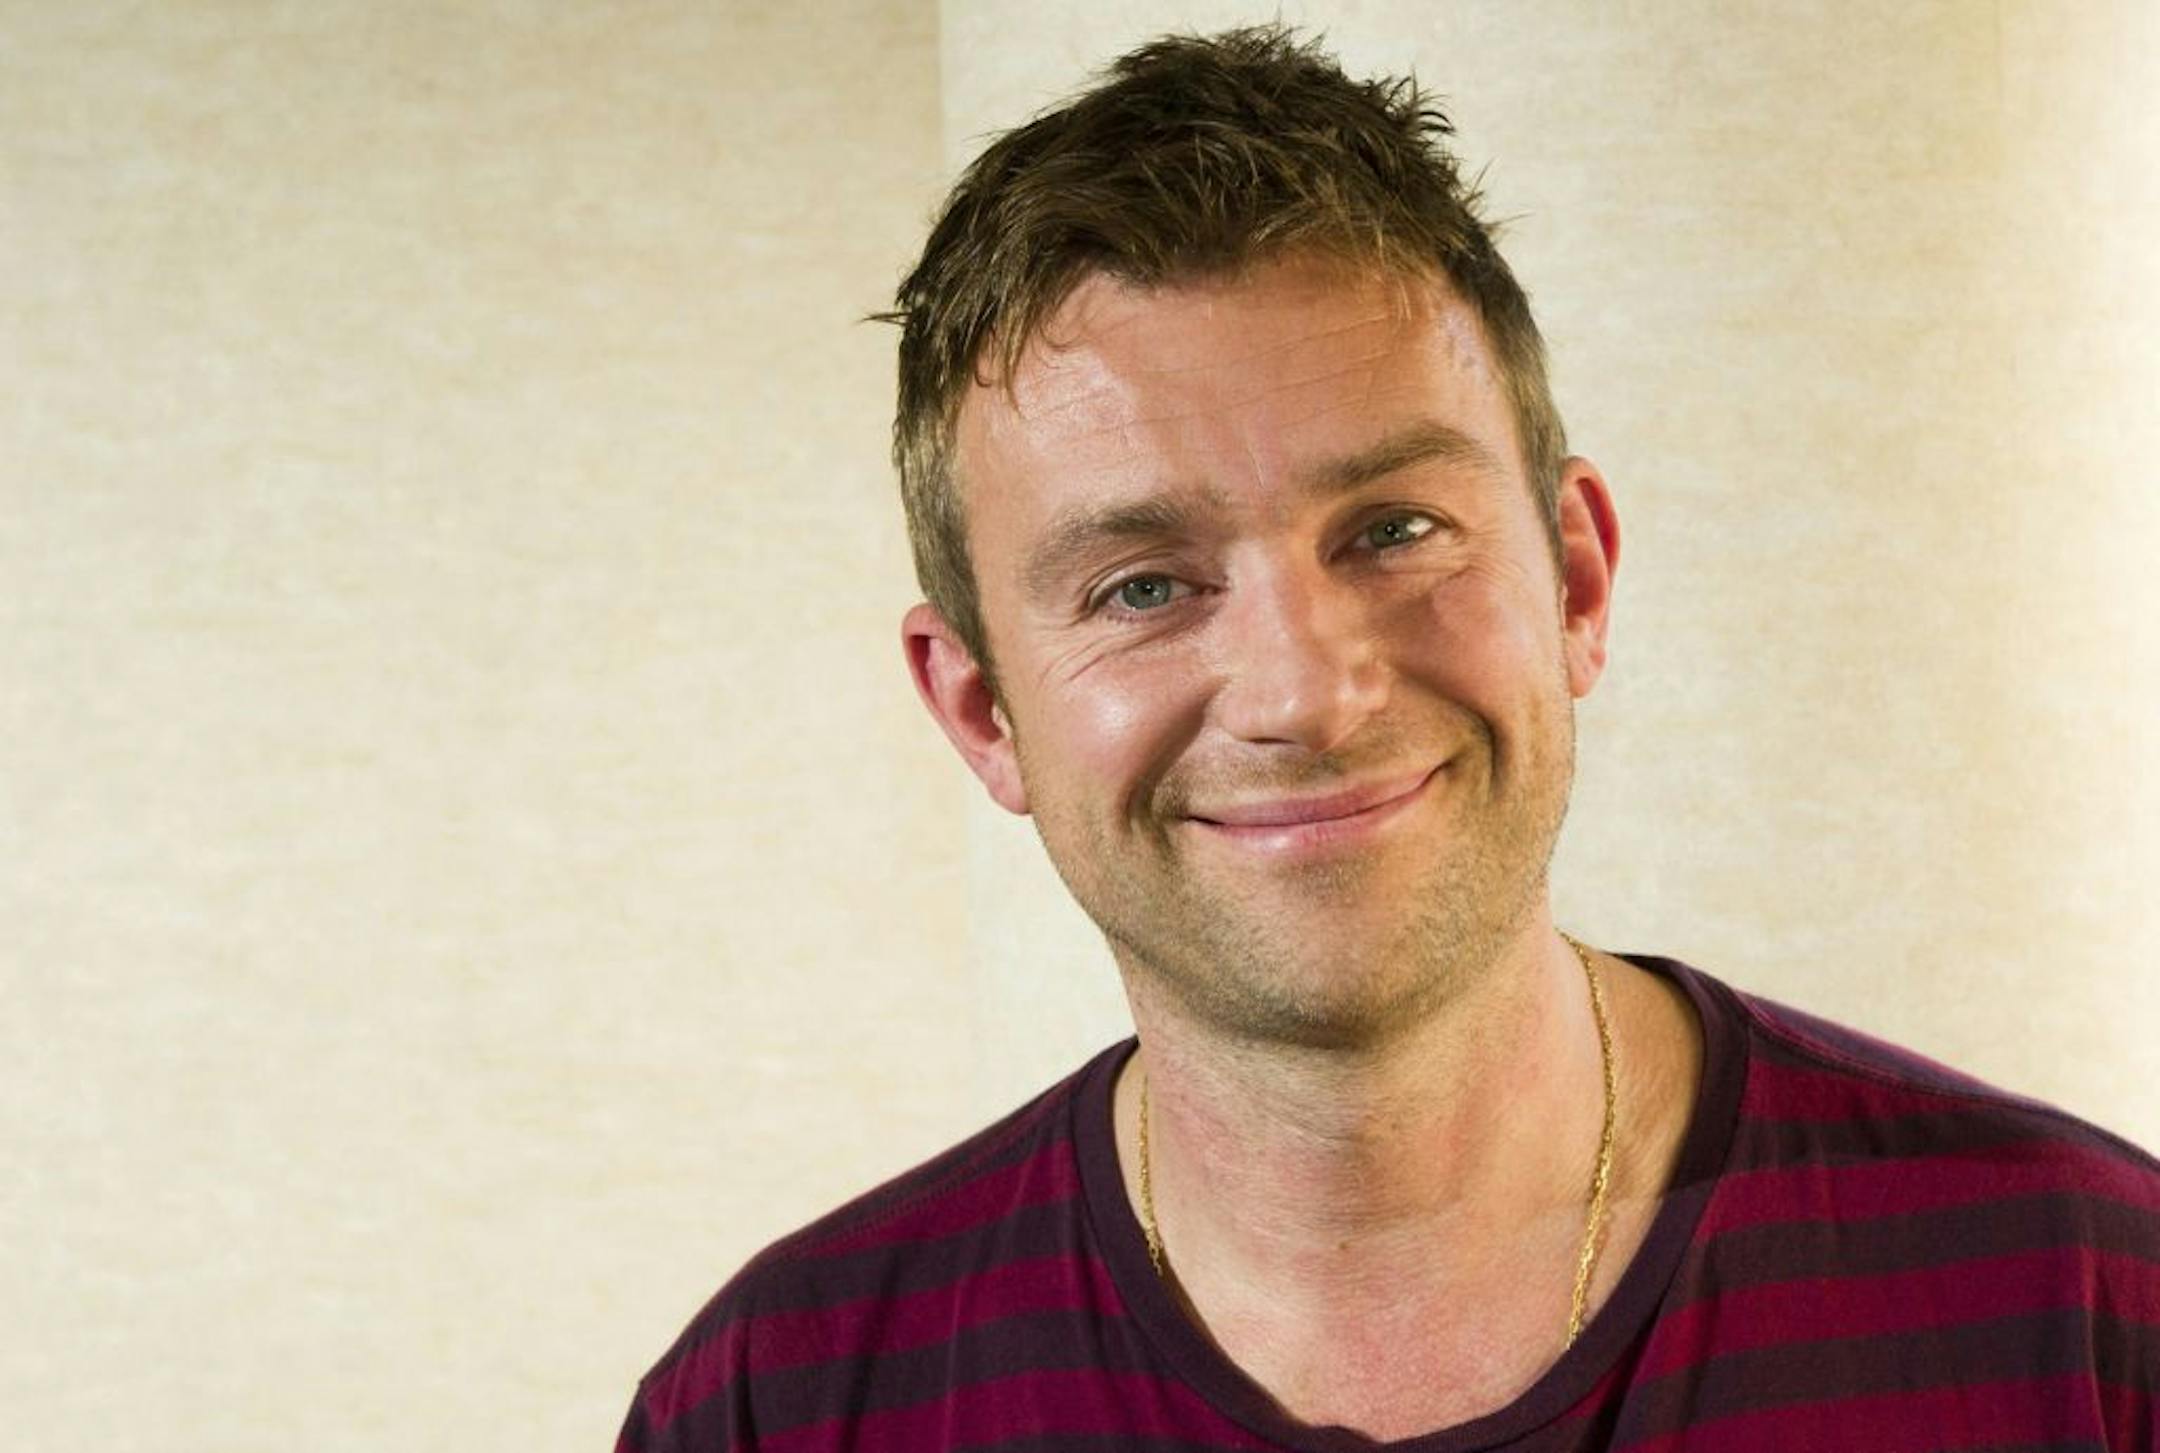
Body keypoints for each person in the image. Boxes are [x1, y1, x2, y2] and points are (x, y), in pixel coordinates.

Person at [617, 27, 2159, 1450]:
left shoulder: (2090, 1311)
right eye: (1143, 584)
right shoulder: (783, 1408)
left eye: (1394, 528)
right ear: (981, 710)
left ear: (1573, 578)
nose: (1307, 691)